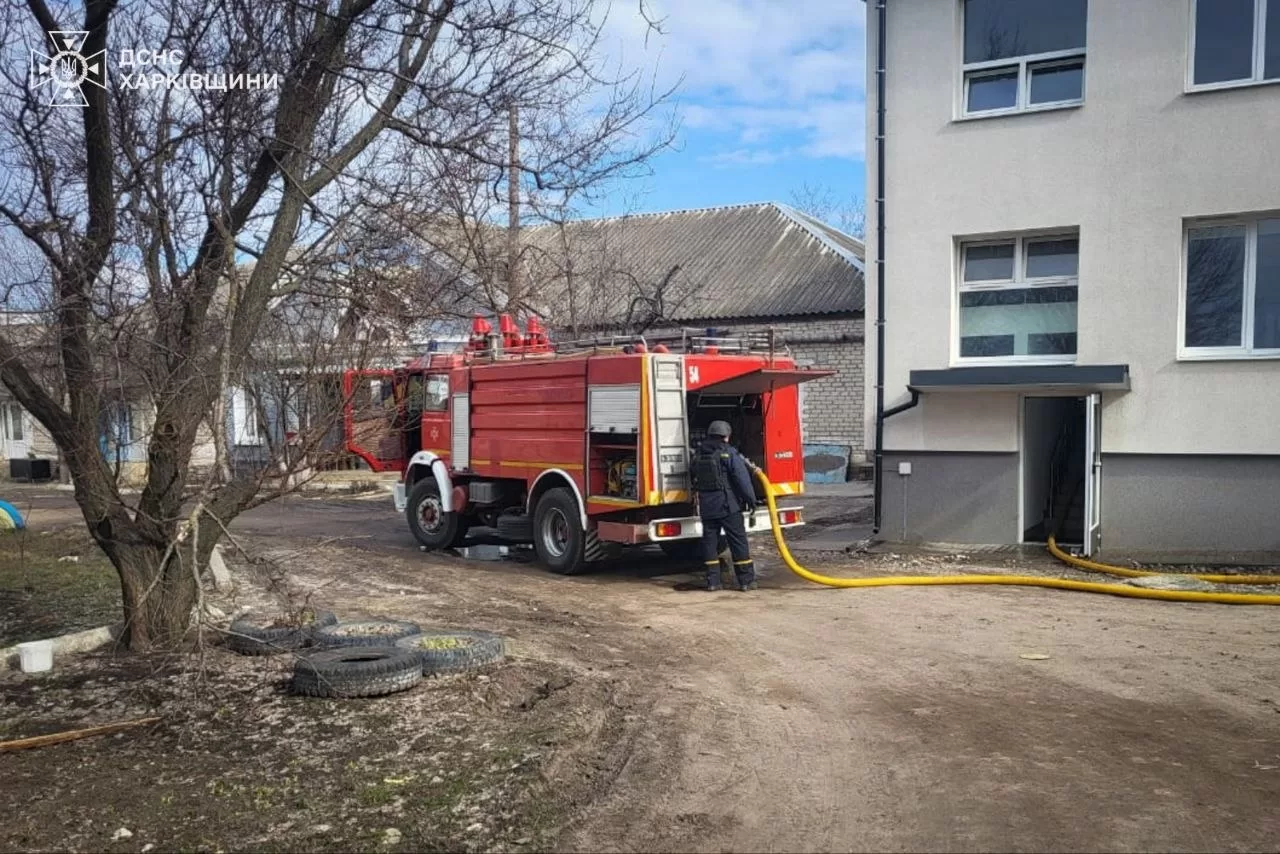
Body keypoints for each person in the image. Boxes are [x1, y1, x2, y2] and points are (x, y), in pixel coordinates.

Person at [690, 420, 758, 592]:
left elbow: (693, 476)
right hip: (728, 506)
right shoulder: (729, 453)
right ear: (726, 436)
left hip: (707, 508)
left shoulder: (698, 454)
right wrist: (751, 500)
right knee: (738, 542)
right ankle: (745, 581)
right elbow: (742, 480)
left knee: (710, 544)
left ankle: (713, 582)